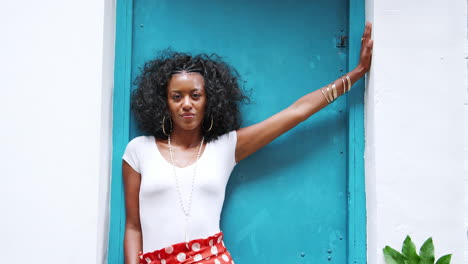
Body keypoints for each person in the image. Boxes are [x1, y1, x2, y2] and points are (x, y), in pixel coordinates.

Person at [122, 22, 374, 264]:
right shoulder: (139, 150)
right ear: (164, 102)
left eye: (195, 95)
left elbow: (297, 112)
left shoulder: (225, 147)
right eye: (177, 96)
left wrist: (357, 73)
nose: (186, 103)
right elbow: (133, 226)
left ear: (209, 100)